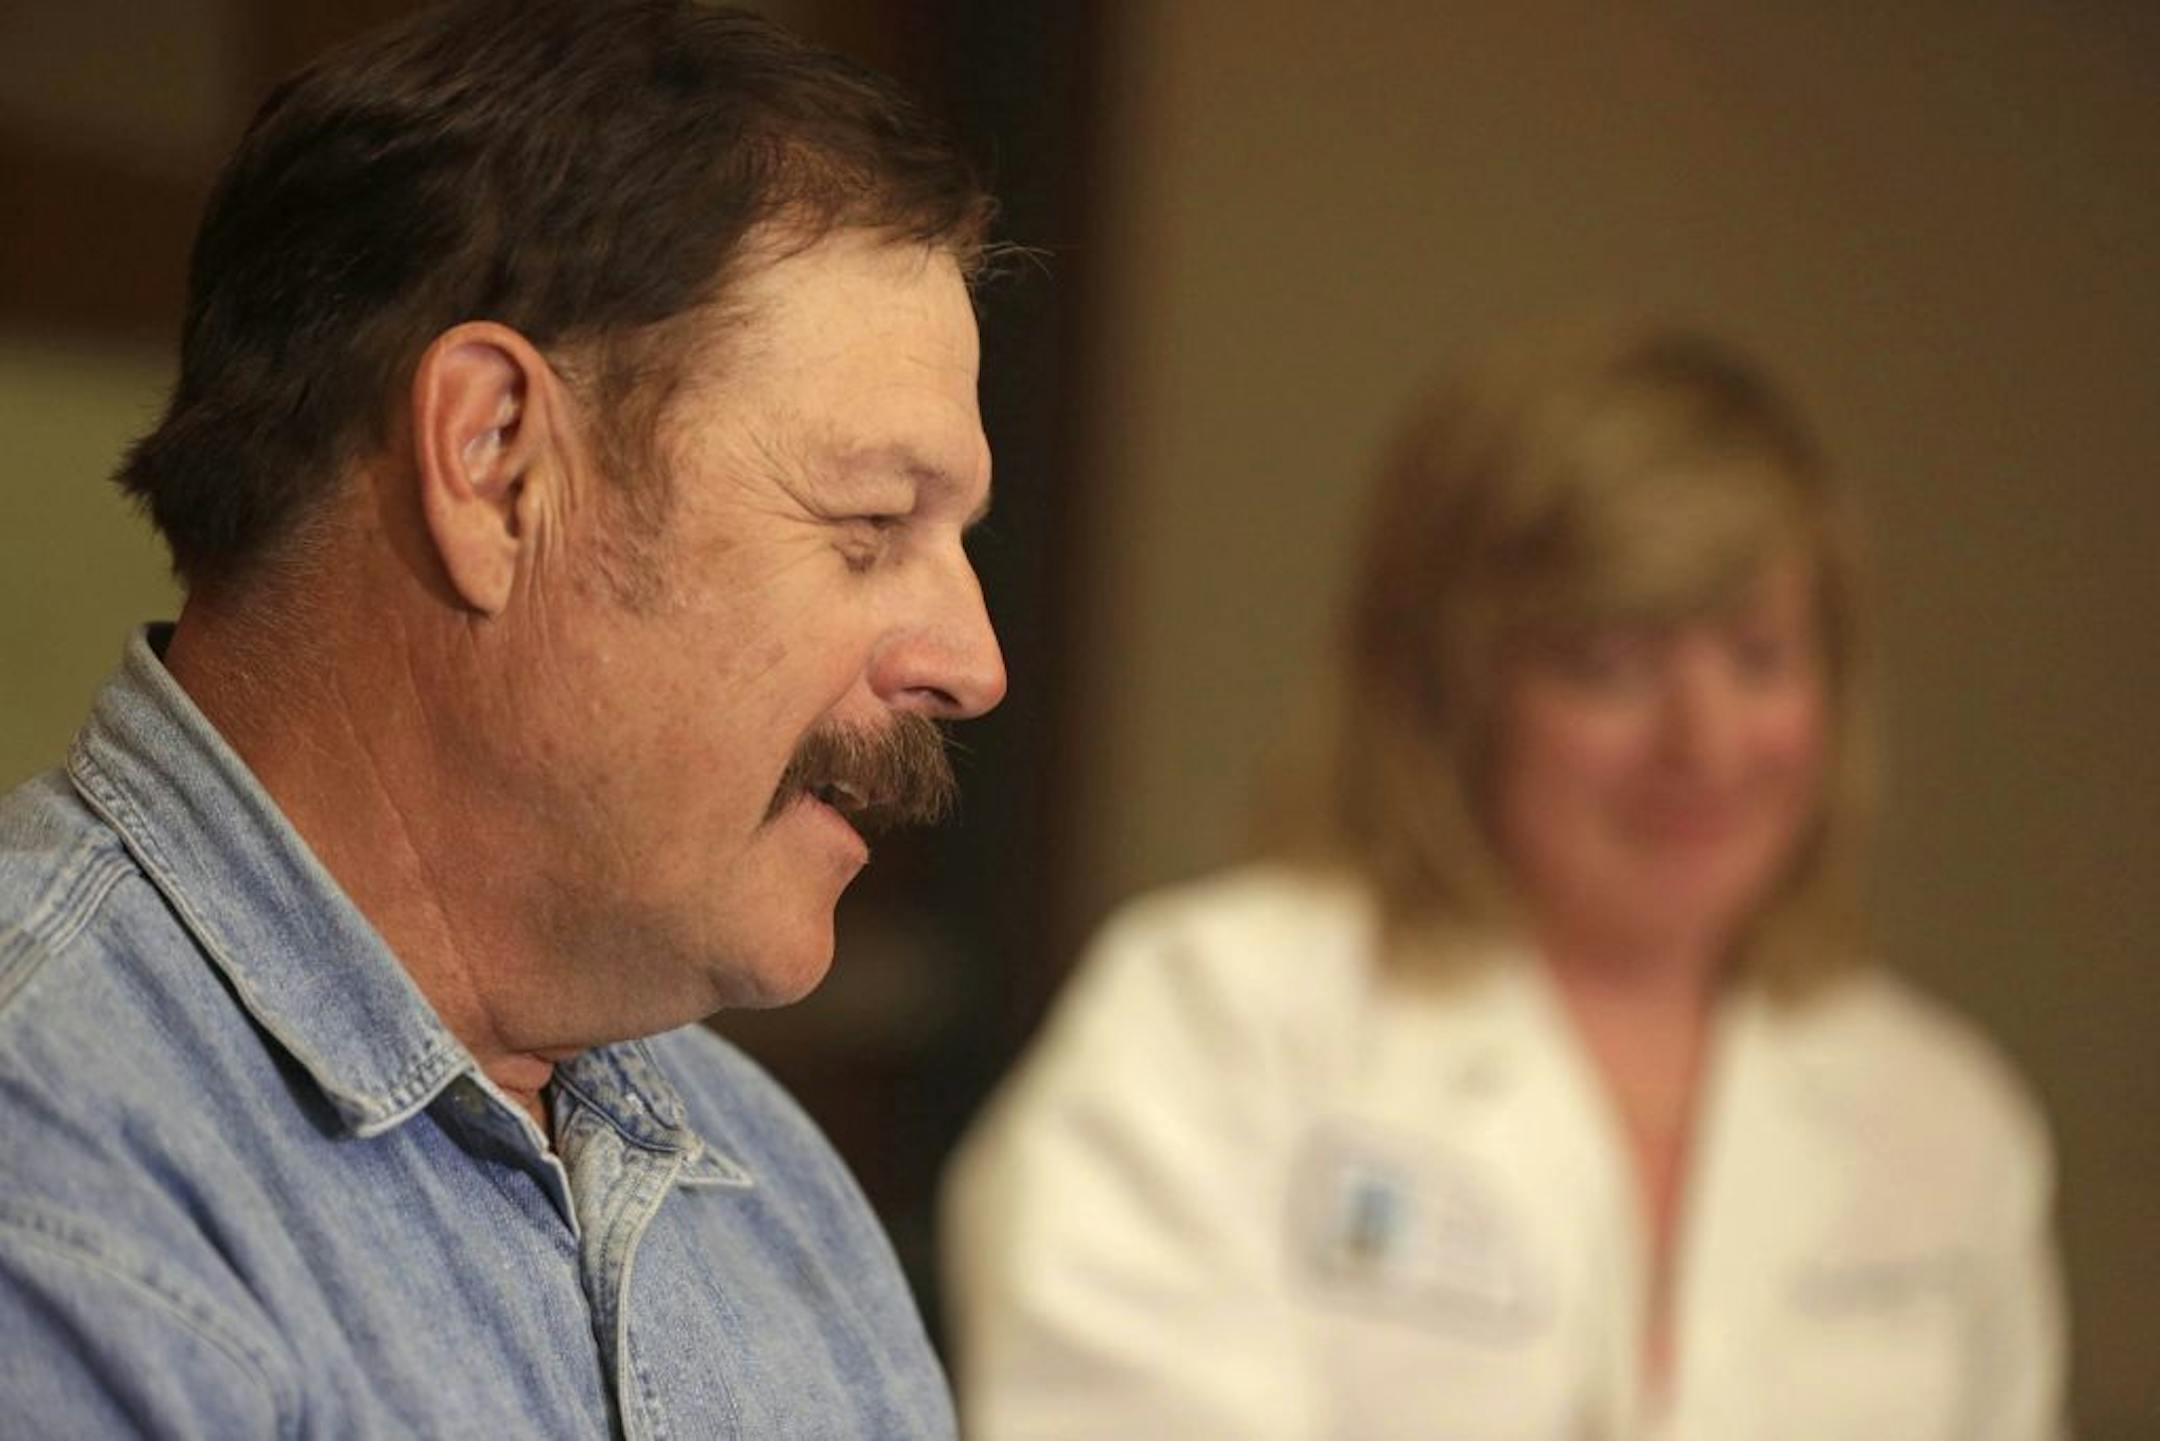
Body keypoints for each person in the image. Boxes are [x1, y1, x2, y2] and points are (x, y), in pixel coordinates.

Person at [0, 2, 1006, 1435]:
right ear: (493, 464)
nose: (971, 662)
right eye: (869, 523)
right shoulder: (55, 1164)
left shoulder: (772, 1185)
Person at [942, 324, 2068, 1440]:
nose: (1706, 740)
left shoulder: (1945, 1120)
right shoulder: (1214, 1019)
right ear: (1452, 690)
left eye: (1760, 657)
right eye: (1609, 666)